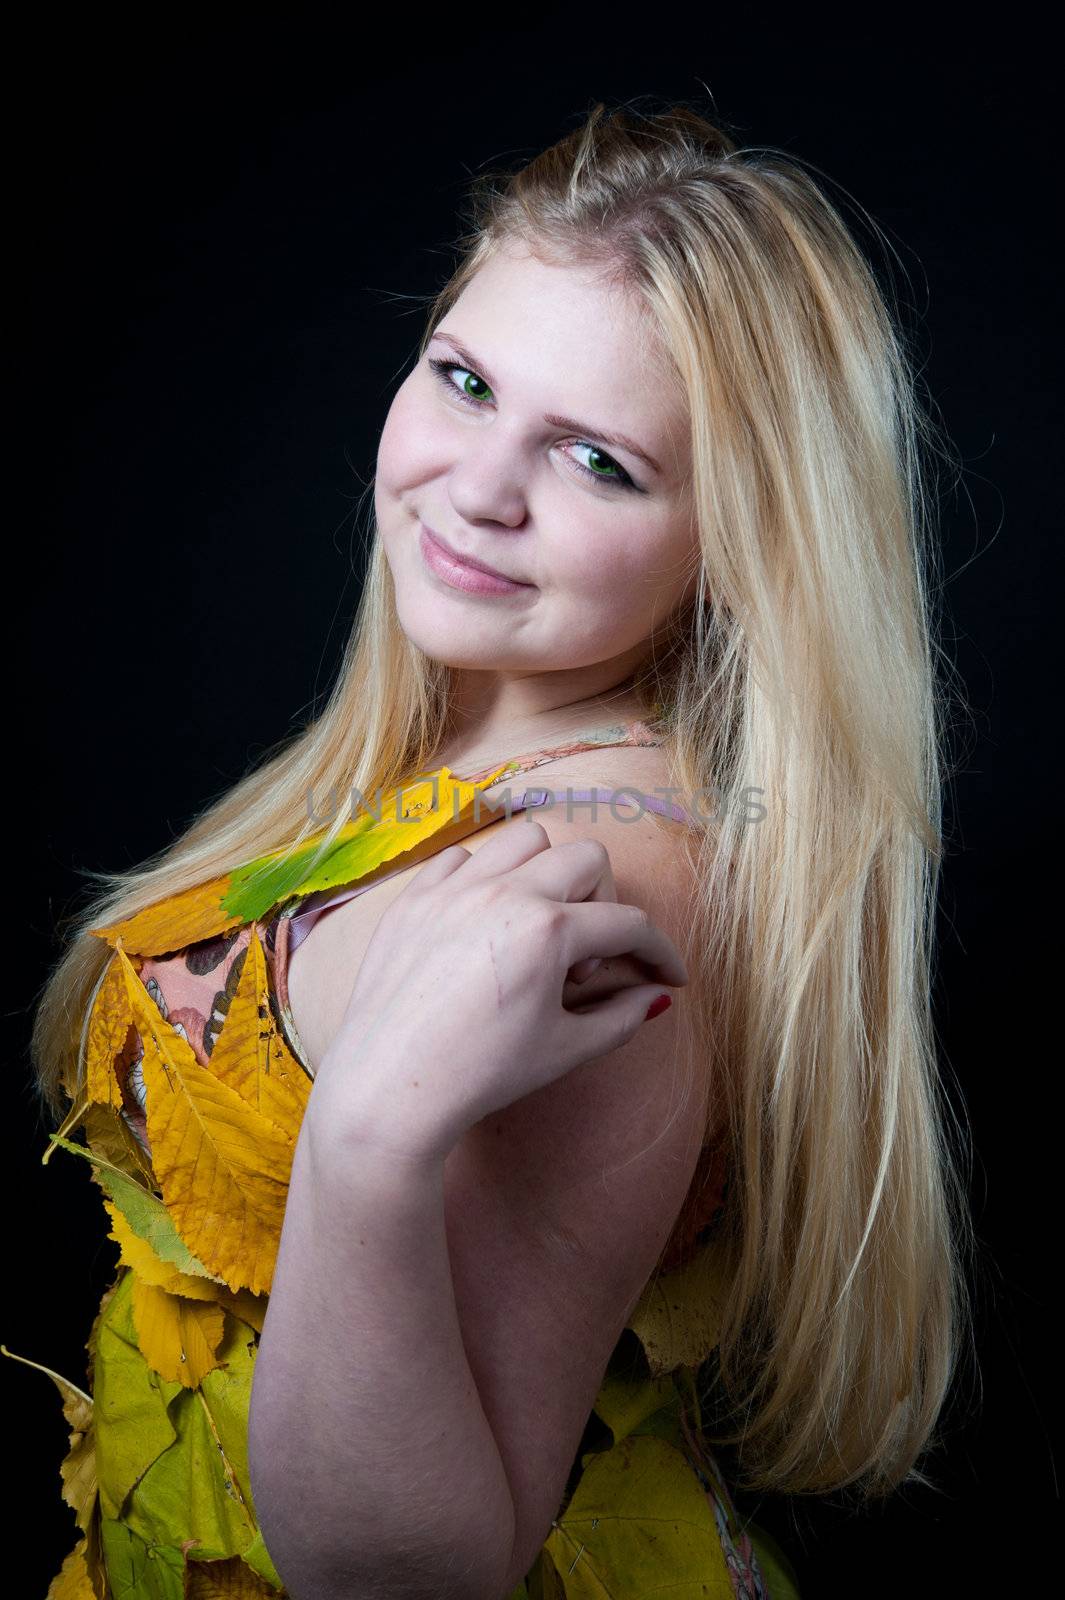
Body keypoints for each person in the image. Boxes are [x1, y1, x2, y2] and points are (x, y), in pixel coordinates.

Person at [18, 96, 971, 1599]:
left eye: (599, 462)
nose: (476, 485)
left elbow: (409, 1578)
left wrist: (370, 1139)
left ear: (735, 544)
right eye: (461, 380)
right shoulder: (463, 740)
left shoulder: (596, 891)